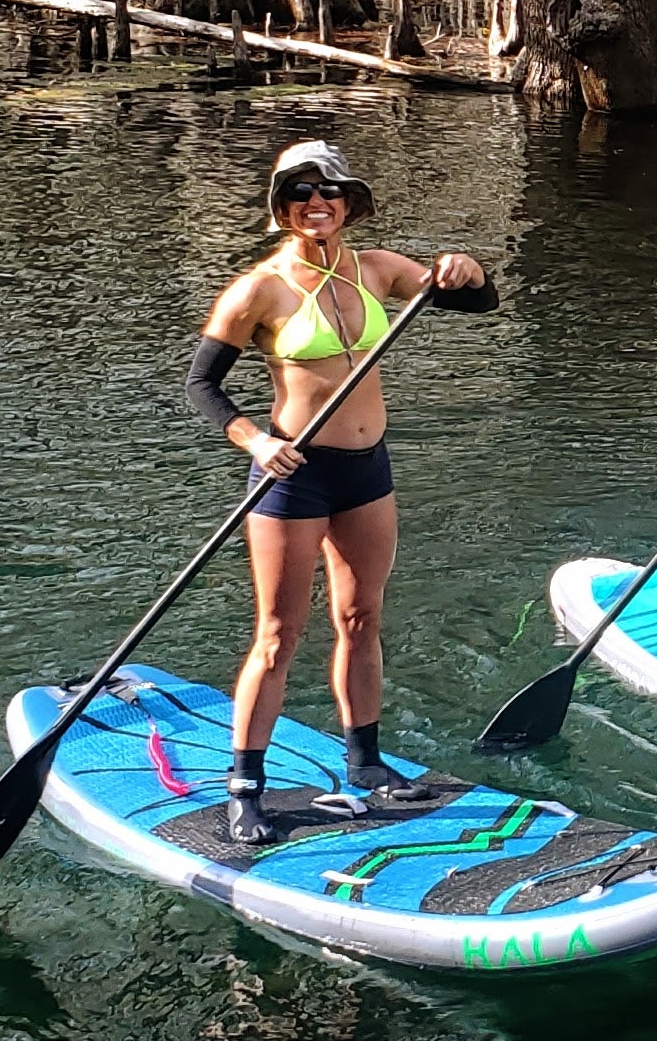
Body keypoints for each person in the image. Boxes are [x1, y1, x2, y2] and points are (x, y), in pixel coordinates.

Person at [184, 140, 497, 843]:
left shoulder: (379, 270)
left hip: (367, 472)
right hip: (293, 477)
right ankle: (245, 785)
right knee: (278, 634)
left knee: (361, 618)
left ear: (349, 203)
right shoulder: (258, 289)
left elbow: (477, 301)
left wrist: (467, 269)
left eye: (328, 193)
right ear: (281, 207)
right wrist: (256, 442)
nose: (315, 204)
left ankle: (366, 760)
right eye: (299, 194)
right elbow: (201, 386)